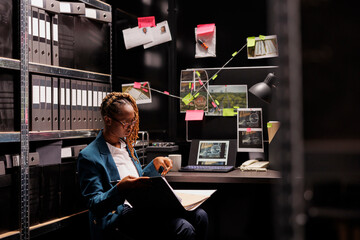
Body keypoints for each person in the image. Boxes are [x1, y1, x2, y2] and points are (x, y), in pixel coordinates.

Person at [77, 92, 208, 240]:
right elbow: (94, 205)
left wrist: (154, 166)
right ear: (108, 120)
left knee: (200, 216)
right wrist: (120, 189)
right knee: (182, 227)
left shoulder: (127, 146)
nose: (131, 127)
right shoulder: (89, 156)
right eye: (125, 123)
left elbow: (137, 181)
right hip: (119, 213)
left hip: (140, 205)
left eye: (133, 122)